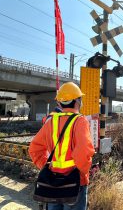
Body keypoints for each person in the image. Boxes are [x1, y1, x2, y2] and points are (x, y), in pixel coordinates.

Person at [29, 82, 95, 210]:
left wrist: (45, 166)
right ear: (78, 101)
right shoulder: (80, 121)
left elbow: (34, 149)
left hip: (53, 182)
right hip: (75, 182)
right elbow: (83, 152)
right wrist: (83, 173)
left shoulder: (50, 122)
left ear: (59, 104)